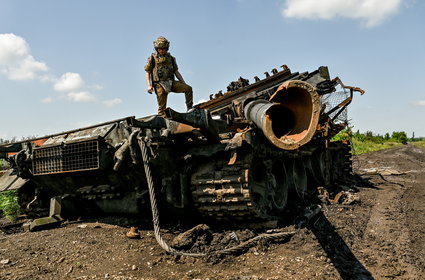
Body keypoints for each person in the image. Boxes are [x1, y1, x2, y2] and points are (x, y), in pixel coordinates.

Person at [144, 36, 193, 117]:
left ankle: (190, 109)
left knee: (188, 89)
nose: (162, 50)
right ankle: (162, 122)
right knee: (162, 108)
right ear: (157, 49)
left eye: (163, 48)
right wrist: (149, 85)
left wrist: (183, 83)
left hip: (170, 82)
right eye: (160, 49)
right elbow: (148, 72)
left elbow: (176, 72)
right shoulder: (152, 58)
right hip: (159, 84)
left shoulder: (171, 58)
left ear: (167, 48)